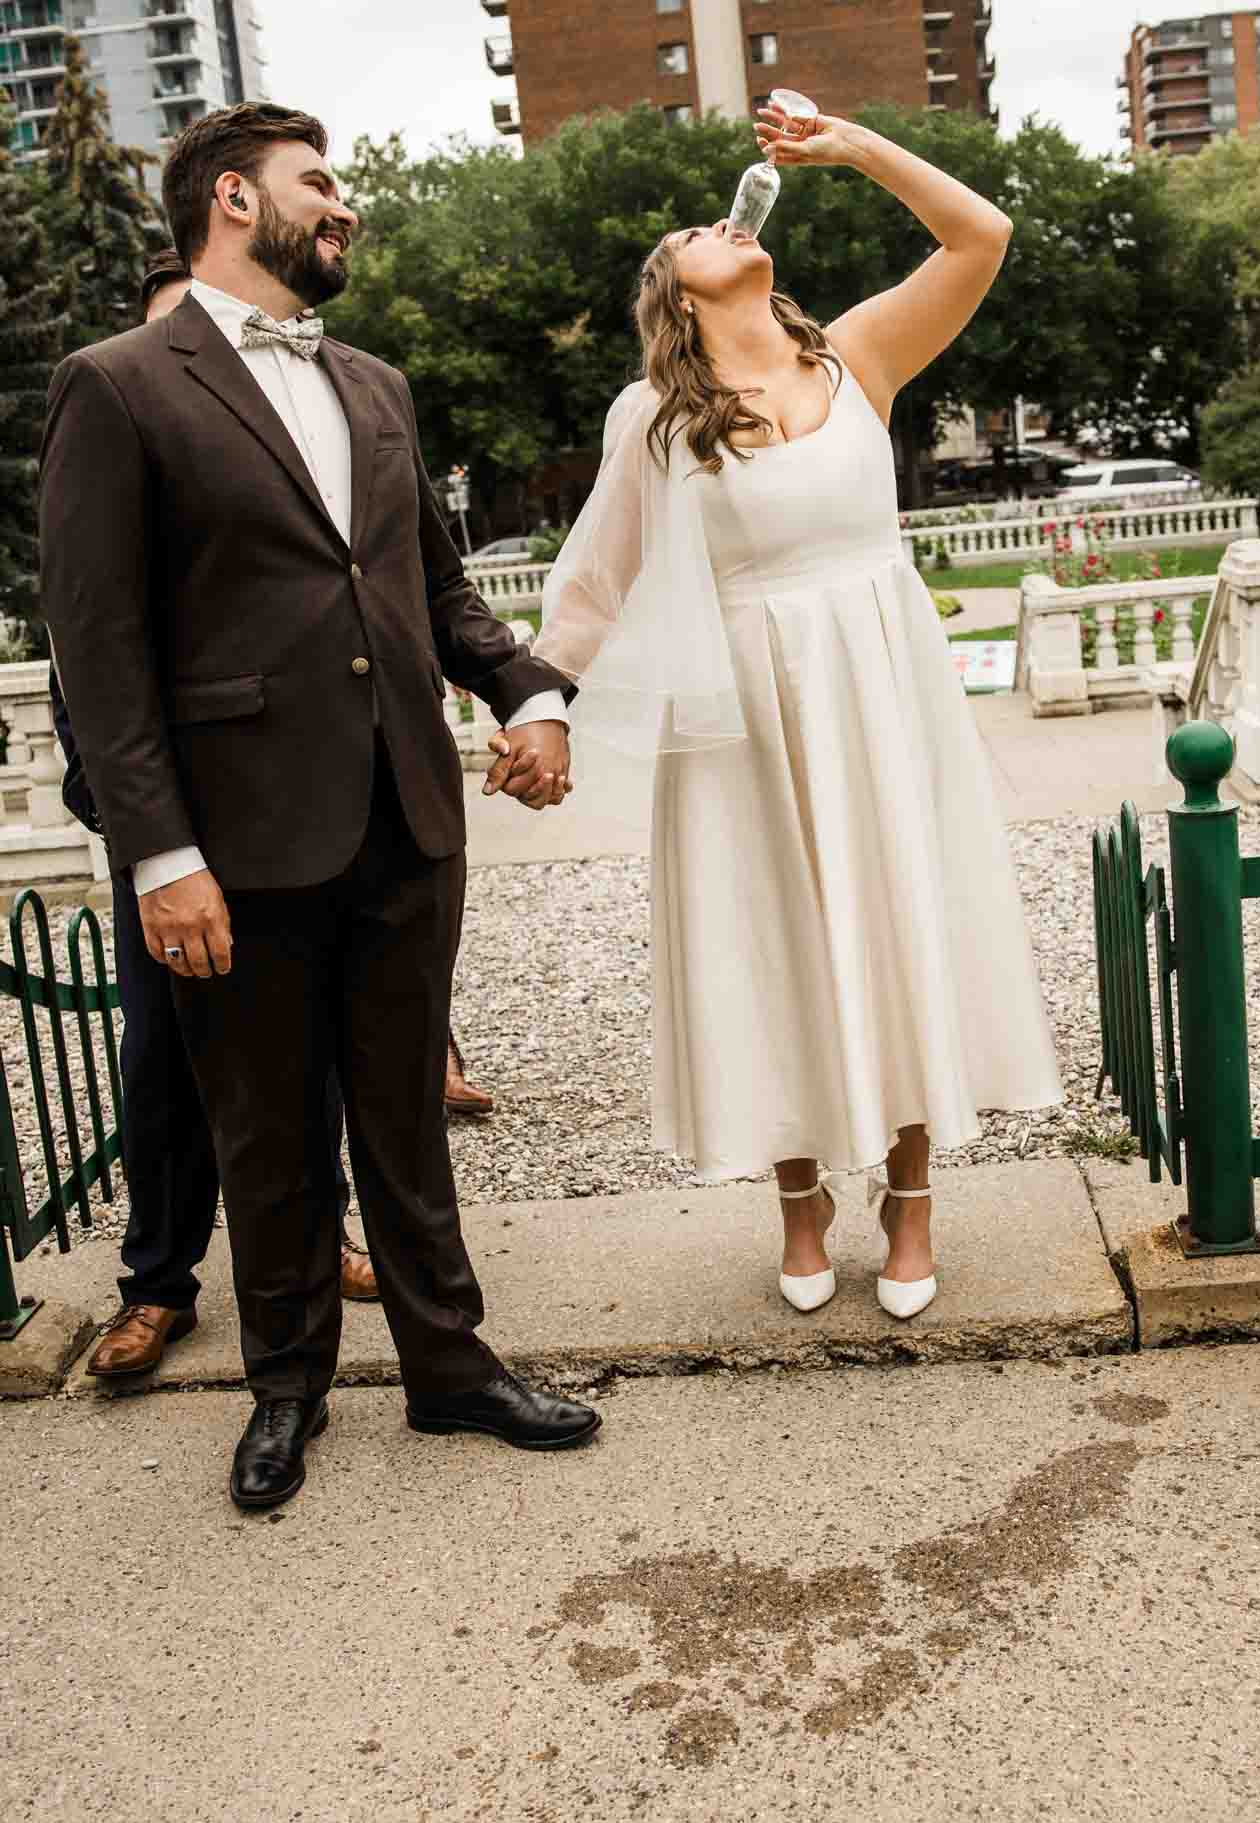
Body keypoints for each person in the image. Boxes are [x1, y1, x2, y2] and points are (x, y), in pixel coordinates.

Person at [40, 102, 600, 1509]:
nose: (344, 206)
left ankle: (453, 1370)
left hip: (405, 816)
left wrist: (528, 693)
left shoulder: (378, 385)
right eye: (320, 183)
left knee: (403, 1115)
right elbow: (99, 647)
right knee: (266, 1131)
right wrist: (161, 852)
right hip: (234, 840)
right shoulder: (116, 385)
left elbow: (432, 590)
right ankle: (284, 1388)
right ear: (235, 198)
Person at [536, 102, 1062, 1321]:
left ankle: (913, 1199)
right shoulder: (655, 420)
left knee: (896, 920)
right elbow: (594, 583)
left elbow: (981, 236)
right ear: (675, 296)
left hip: (880, 692)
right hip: (741, 718)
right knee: (764, 934)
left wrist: (855, 149)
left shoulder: (858, 357)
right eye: (683, 235)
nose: (710, 220)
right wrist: (538, 707)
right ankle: (798, 1200)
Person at [48, 249, 378, 1385]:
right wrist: (138, 834)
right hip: (166, 841)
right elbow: (87, 652)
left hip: (285, 819)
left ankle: (315, 1235)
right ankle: (156, 1285)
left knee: (310, 1051)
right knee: (161, 1071)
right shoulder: (117, 423)